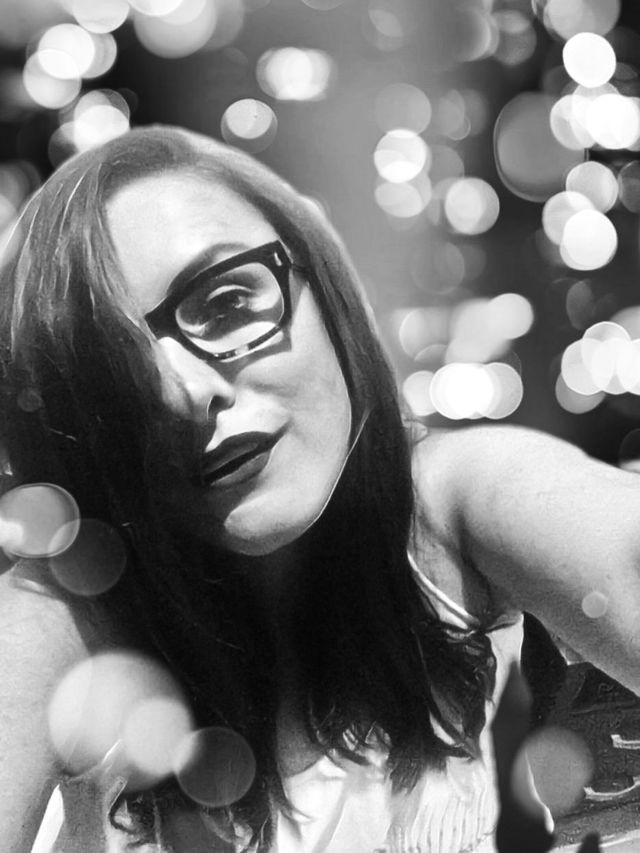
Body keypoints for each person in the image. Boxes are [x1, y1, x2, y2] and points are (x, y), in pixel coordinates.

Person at [0, 125, 637, 853]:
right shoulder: (58, 618)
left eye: (227, 302)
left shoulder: (457, 498)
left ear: (327, 293)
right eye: (113, 369)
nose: (186, 393)